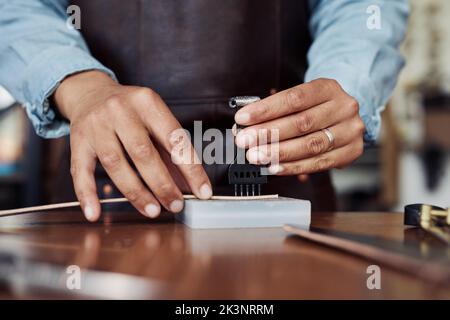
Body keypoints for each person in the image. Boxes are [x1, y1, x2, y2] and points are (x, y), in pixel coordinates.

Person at [0, 0, 408, 221]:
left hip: (287, 206)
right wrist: (81, 86)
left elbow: (363, 6)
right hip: (107, 206)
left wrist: (345, 82)